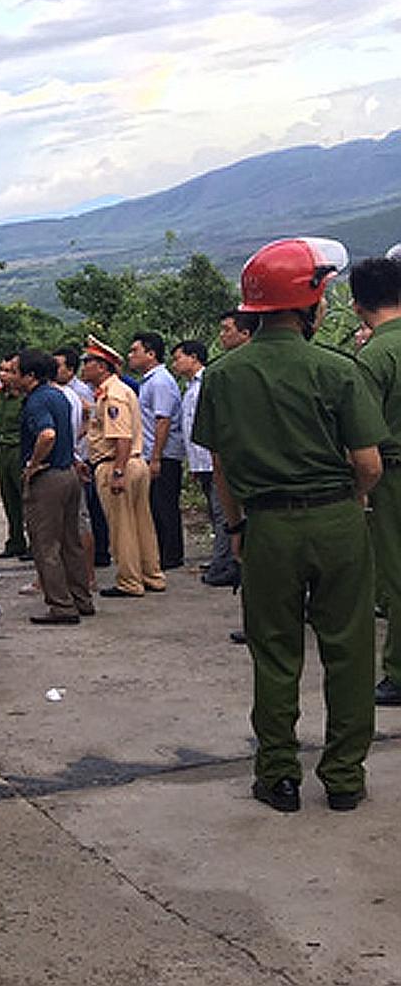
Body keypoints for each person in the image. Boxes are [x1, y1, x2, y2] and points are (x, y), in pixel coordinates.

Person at [194, 237, 385, 813]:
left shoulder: (224, 375)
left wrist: (236, 529)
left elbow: (221, 464)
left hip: (267, 527)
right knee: (348, 651)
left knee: (274, 652)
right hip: (337, 521)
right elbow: (368, 463)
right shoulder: (337, 369)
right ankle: (345, 777)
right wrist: (348, 501)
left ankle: (278, 775)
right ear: (309, 304)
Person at [350, 254, 401, 708]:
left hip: (394, 475)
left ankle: (399, 672)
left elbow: (361, 436)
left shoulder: (375, 355)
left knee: (396, 572)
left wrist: (358, 488)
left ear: (357, 305)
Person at [80, 335, 165, 598]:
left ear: (102, 367)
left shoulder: (112, 395)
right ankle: (151, 574)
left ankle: (129, 580)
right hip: (135, 463)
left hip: (118, 464)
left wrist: (117, 472)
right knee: (142, 522)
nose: (83, 367)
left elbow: (122, 437)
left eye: (88, 362)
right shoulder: (118, 391)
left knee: (122, 527)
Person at [14, 349, 93, 624]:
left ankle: (61, 605)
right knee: (71, 542)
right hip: (68, 473)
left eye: (15, 371)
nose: (12, 377)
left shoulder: (36, 402)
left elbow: (47, 434)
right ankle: (81, 598)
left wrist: (33, 464)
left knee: (46, 544)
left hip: (48, 479)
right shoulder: (58, 395)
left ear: (30, 376)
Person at [172, 340, 238, 588]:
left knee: (223, 513)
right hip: (202, 462)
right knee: (214, 512)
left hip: (215, 461)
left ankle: (226, 564)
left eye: (179, 357)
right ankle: (220, 558)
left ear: (194, 357)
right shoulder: (190, 387)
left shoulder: (209, 382)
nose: (176, 363)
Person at [129, 331, 185, 570]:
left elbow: (163, 420)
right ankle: (162, 552)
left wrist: (156, 458)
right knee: (155, 505)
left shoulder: (160, 381)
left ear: (151, 354)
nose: (130, 356)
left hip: (162, 455)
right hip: (154, 453)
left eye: (135, 351)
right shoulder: (150, 381)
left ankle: (170, 555)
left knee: (163, 506)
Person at [55, 345, 106, 573]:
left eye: (58, 366)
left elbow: (92, 418)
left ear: (70, 370)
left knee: (87, 514)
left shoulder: (79, 392)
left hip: (83, 456)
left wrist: (75, 441)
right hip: (78, 454)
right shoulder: (63, 390)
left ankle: (95, 561)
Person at [0, 354, 28, 559]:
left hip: (19, 449)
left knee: (26, 498)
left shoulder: (25, 397)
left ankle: (33, 543)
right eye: (1, 370)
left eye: (9, 371)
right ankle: (15, 541)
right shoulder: (0, 396)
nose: (4, 375)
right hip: (4, 450)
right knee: (9, 498)